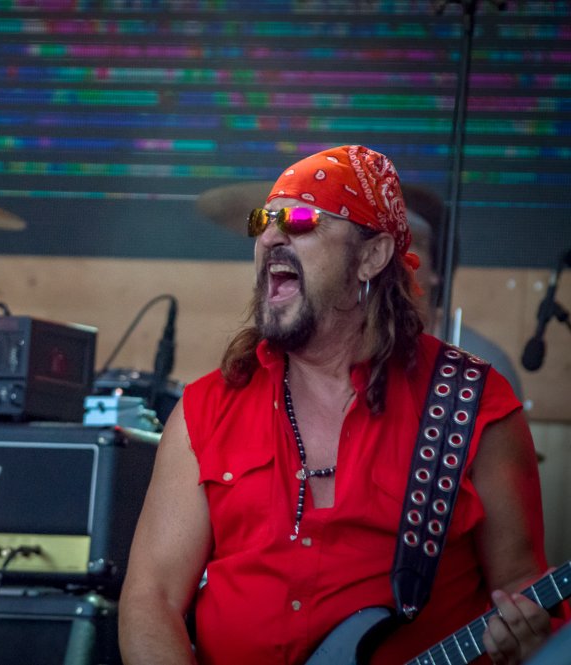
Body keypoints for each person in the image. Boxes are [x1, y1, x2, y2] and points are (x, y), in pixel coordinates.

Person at [119, 145, 557, 664]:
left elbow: (522, 589)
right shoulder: (206, 409)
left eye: (301, 221)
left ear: (371, 256)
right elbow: (151, 600)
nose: (270, 237)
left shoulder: (472, 404)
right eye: (263, 221)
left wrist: (529, 637)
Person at [402, 183, 525, 401]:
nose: (385, 255)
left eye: (404, 242)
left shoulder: (483, 366)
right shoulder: (347, 357)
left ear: (437, 266)